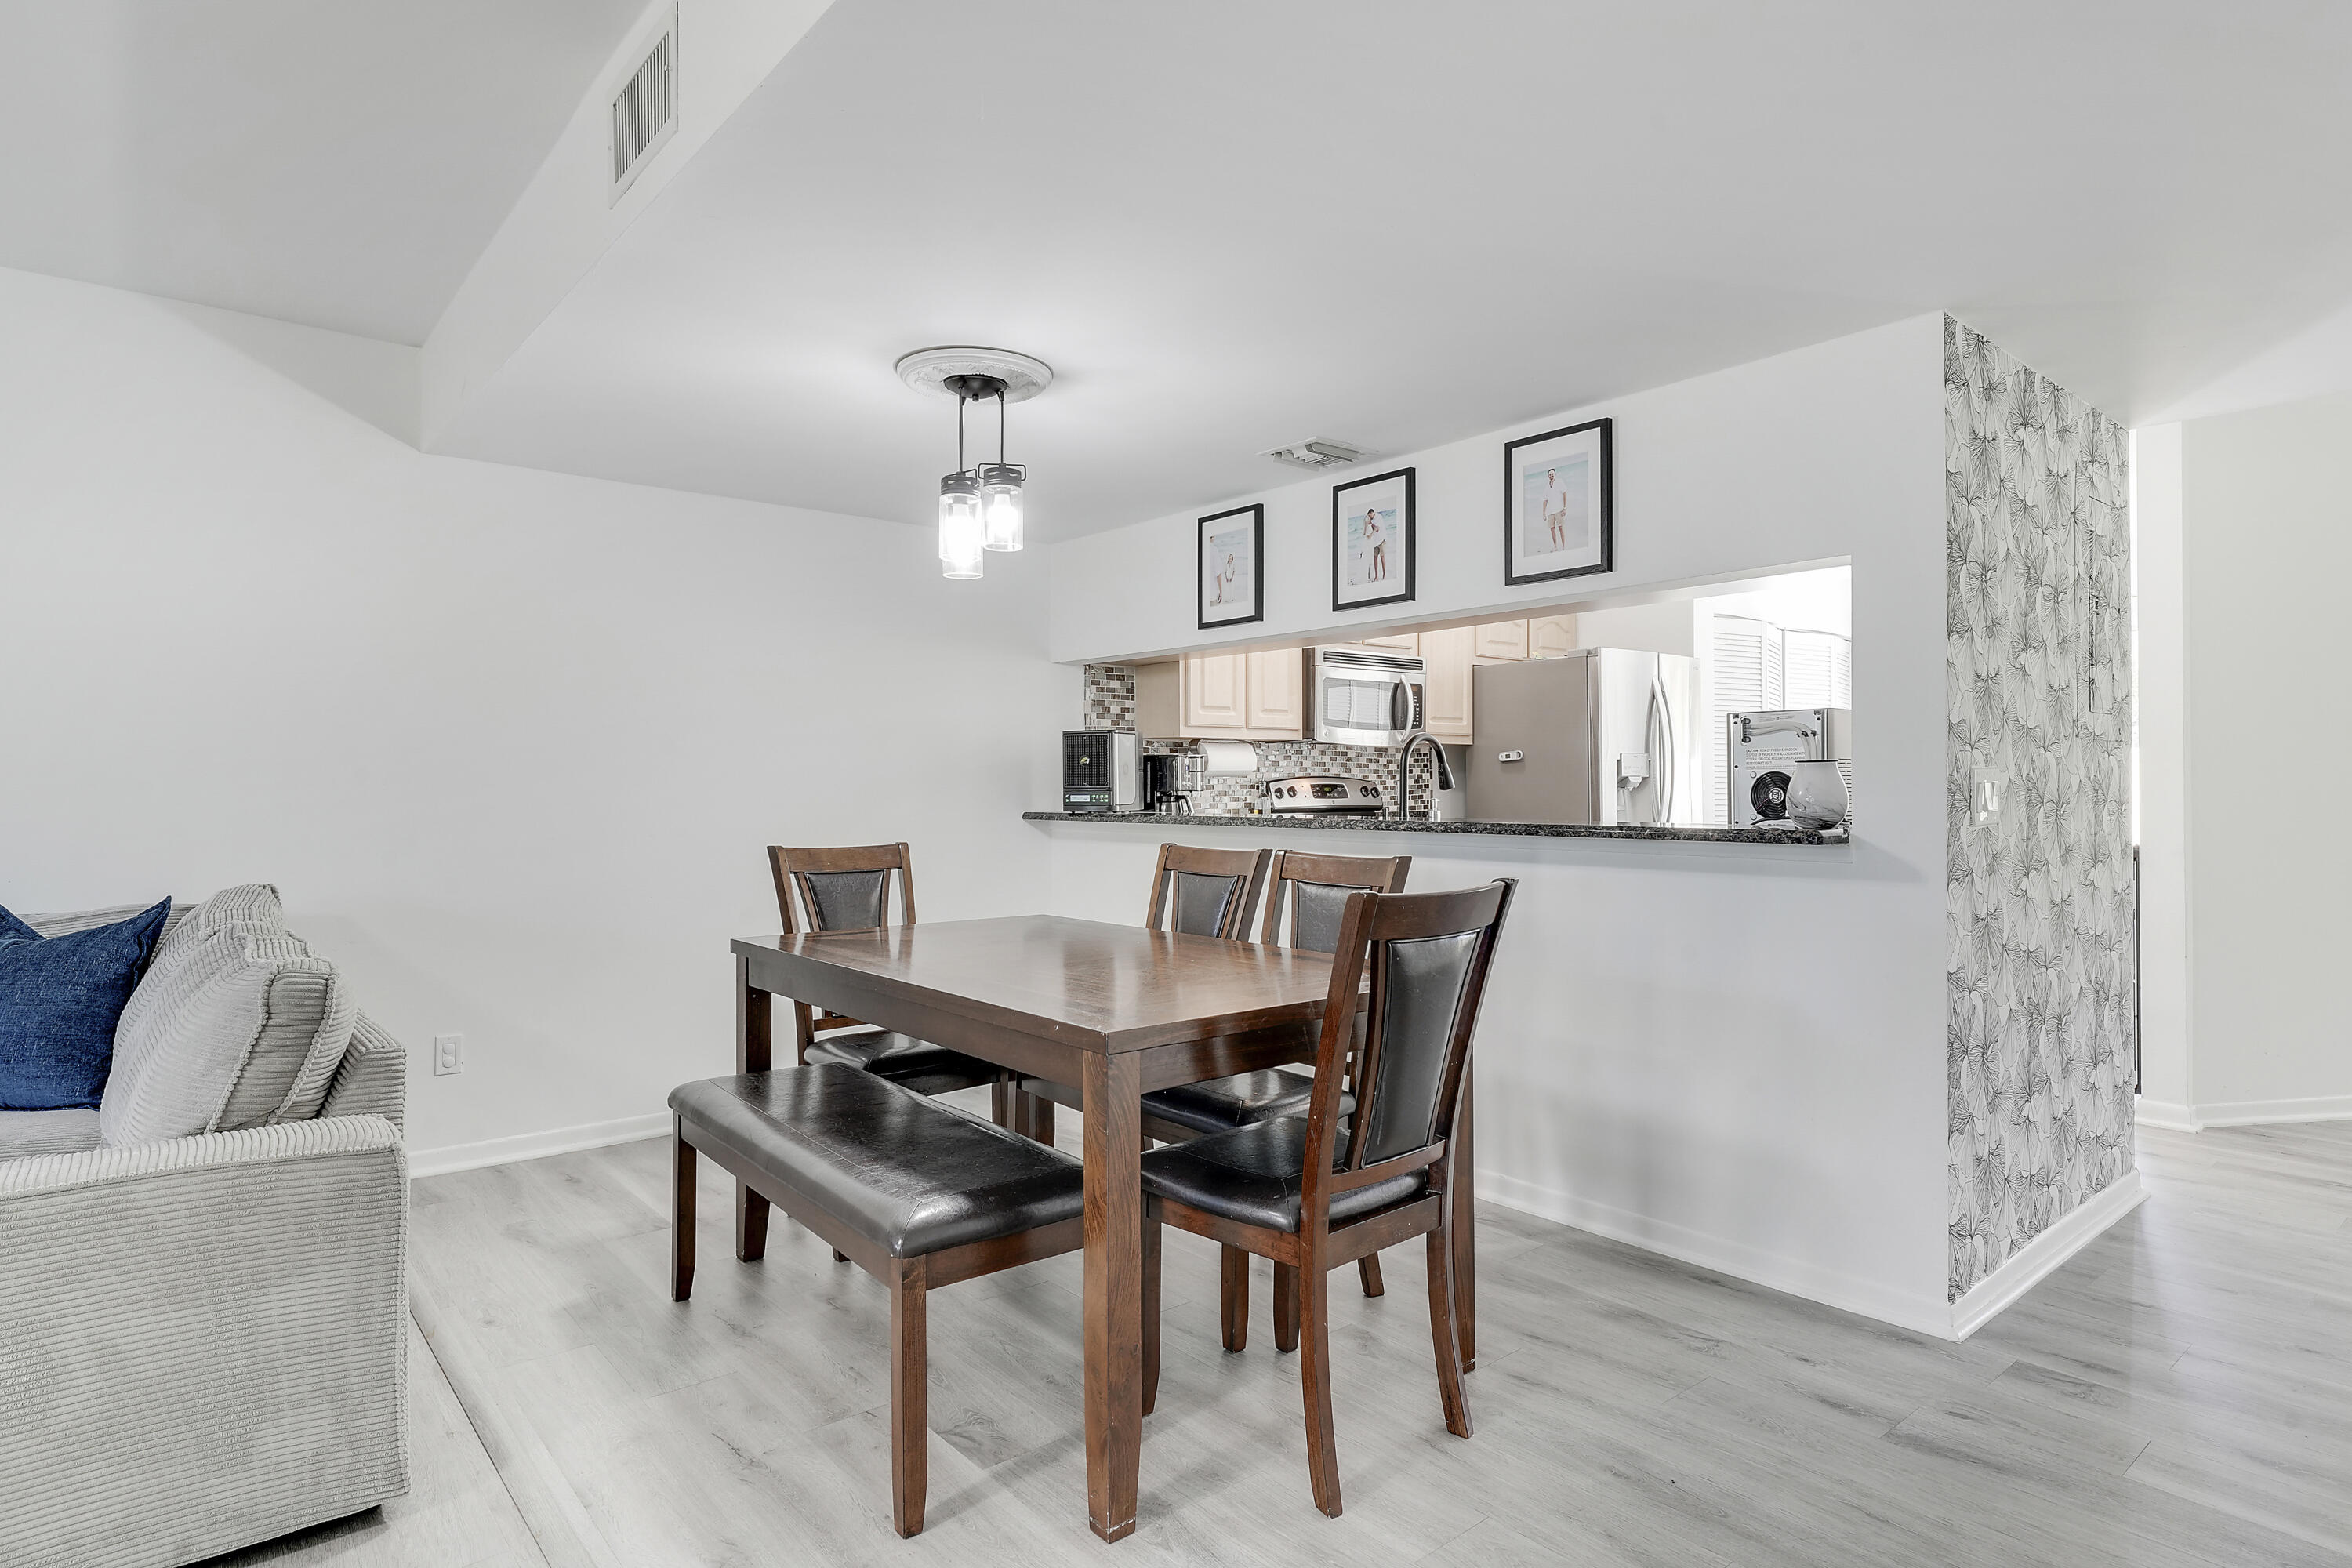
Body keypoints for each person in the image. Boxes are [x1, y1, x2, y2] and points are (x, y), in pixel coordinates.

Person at [1540, 466, 1568, 552]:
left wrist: (1565, 508)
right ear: (1548, 476)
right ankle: (1555, 547)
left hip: (1559, 510)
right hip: (1550, 512)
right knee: (1552, 529)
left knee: (1561, 528)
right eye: (1549, 474)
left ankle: (1564, 547)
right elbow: (1545, 500)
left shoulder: (1560, 482)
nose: (1551, 475)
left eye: (1552, 474)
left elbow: (1565, 494)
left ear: (1555, 474)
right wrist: (1544, 513)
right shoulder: (1547, 487)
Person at [1363, 506, 1386, 581]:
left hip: (1382, 540)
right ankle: (1376, 576)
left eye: (1370, 516)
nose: (1370, 517)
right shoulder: (1372, 519)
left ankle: (1384, 575)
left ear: (1372, 513)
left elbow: (1377, 529)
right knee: (1375, 558)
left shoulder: (1378, 517)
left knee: (1382, 557)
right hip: (1375, 542)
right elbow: (1372, 527)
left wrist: (1370, 535)